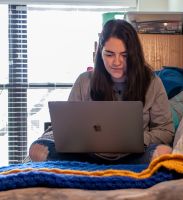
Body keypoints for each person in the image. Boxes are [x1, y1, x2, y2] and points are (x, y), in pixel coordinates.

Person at [28, 19, 174, 164]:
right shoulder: (84, 81)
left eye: (125, 55)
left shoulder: (152, 83)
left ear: (134, 55)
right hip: (87, 155)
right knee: (40, 148)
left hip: (134, 154)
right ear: (100, 52)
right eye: (109, 54)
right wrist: (44, 141)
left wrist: (139, 139)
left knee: (163, 152)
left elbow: (166, 131)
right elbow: (65, 128)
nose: (117, 62)